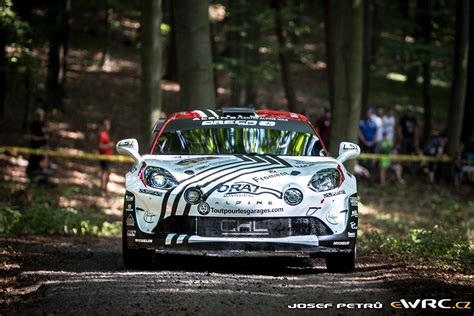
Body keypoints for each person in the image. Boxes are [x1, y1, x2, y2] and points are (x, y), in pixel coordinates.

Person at [26, 108, 50, 183]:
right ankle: (32, 177)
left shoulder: (43, 125)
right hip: (35, 148)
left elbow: (46, 136)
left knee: (44, 162)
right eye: (39, 115)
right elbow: (33, 137)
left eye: (41, 115)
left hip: (43, 147)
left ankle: (42, 179)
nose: (40, 117)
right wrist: (42, 138)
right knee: (34, 162)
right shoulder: (33, 125)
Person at [98, 118, 114, 193]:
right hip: (104, 156)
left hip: (108, 157)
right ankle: (103, 188)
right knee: (105, 171)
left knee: (106, 172)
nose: (107, 126)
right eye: (105, 124)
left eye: (108, 124)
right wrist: (109, 145)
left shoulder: (106, 134)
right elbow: (100, 146)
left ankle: (104, 187)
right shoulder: (102, 134)